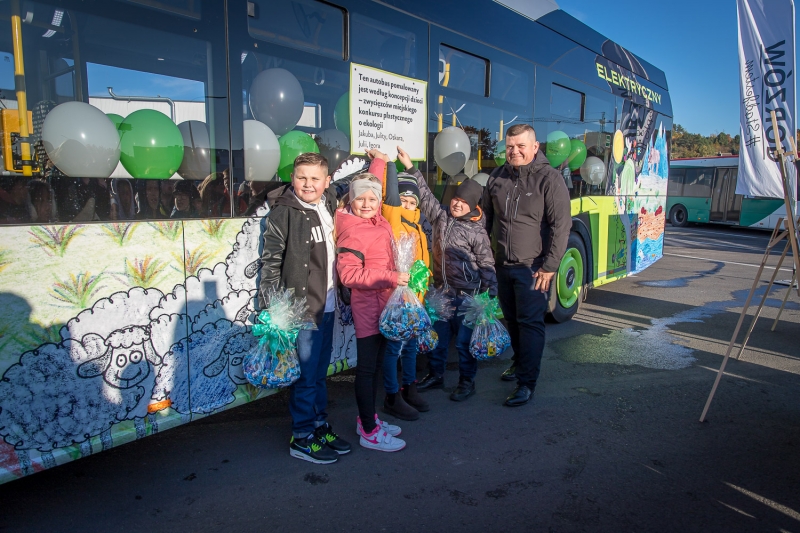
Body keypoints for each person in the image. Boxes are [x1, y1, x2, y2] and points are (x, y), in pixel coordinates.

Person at [259, 152, 352, 464]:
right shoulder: (284, 212)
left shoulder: (327, 205)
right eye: (302, 177)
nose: (308, 184)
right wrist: (273, 309)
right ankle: (301, 437)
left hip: (327, 307)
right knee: (306, 376)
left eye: (315, 178)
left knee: (319, 373)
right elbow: (271, 262)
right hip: (302, 310)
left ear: (327, 182)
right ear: (292, 179)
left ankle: (318, 425)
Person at [397, 147, 498, 401]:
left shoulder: (476, 232)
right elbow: (426, 196)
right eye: (456, 198)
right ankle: (436, 374)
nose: (457, 203)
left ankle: (467, 381)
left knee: (464, 344)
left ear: (472, 205)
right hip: (442, 293)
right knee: (438, 340)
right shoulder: (441, 216)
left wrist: (490, 296)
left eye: (463, 202)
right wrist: (410, 167)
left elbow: (487, 264)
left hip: (467, 297)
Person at [482, 124, 571, 406]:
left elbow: (561, 225)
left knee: (530, 324)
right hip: (502, 265)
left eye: (521, 146)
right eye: (510, 146)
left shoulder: (549, 179)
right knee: (512, 321)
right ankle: (519, 364)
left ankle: (526, 383)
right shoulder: (496, 177)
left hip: (534, 268)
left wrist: (550, 265)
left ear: (535, 147)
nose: (515, 151)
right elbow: (486, 221)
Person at [336, 172, 408, 453]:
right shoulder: (354, 229)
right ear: (350, 200)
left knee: (377, 366)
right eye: (359, 199)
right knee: (366, 371)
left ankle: (369, 419)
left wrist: (379, 160)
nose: (366, 204)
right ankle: (368, 430)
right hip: (368, 309)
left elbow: (374, 179)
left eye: (372, 199)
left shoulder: (377, 221)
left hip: (385, 305)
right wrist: (392, 277)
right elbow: (349, 275)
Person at [363, 150, 432, 421]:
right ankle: (392, 396)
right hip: (397, 299)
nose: (406, 203)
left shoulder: (419, 228)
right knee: (393, 349)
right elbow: (389, 196)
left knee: (411, 347)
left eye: (411, 200)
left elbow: (424, 266)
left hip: (416, 300)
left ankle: (409, 388)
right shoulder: (392, 219)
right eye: (402, 199)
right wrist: (389, 164)